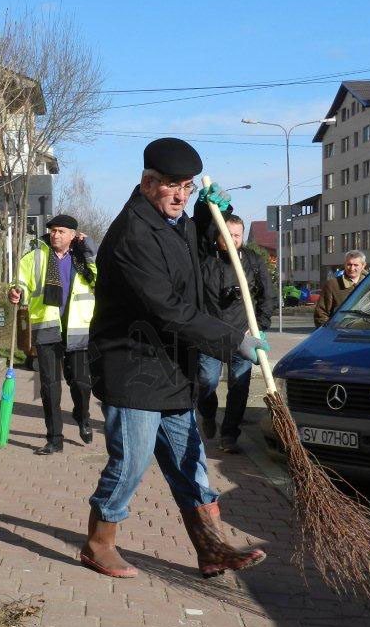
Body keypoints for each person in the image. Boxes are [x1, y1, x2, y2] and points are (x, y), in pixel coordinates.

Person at [82, 137, 269, 579]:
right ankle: (97, 543)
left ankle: (211, 548)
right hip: (133, 367)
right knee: (131, 461)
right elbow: (169, 308)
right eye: (171, 186)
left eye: (187, 187)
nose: (180, 195)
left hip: (171, 369)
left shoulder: (173, 221)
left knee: (190, 461)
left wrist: (208, 214)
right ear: (147, 182)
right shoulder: (132, 235)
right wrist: (231, 340)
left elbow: (195, 250)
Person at [9, 214, 97, 455]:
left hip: (78, 328)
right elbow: (21, 283)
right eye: (53, 231)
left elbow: (101, 278)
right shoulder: (34, 257)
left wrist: (89, 246)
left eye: (61, 231)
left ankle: (83, 415)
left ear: (72, 235)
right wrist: (16, 292)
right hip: (47, 326)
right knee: (49, 386)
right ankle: (54, 439)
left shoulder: (83, 258)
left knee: (81, 383)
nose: (56, 235)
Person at [196, 214, 275, 453]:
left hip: (243, 335)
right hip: (211, 335)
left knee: (239, 387)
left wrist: (259, 325)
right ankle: (208, 413)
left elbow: (266, 296)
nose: (232, 239)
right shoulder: (206, 260)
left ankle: (229, 435)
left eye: (237, 235)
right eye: (227, 235)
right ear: (218, 235)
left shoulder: (252, 261)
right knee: (206, 381)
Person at [314, 250, 366, 326]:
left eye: (356, 265)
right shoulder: (333, 285)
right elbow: (321, 313)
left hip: (367, 332)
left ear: (363, 265)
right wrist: (330, 330)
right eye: (349, 264)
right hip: (341, 332)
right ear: (344, 264)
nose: (352, 268)